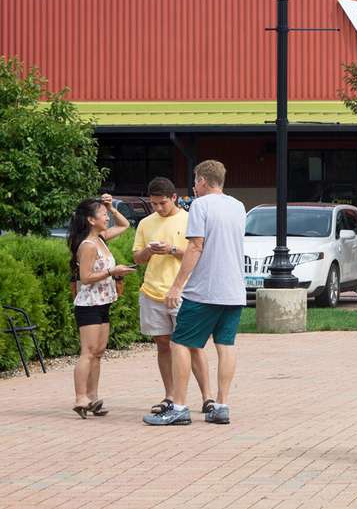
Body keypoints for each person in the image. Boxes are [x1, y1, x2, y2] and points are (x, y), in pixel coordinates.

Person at [143, 160, 246, 427]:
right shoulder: (238, 206)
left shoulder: (200, 206)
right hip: (234, 289)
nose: (194, 186)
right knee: (225, 345)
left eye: (195, 180)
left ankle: (178, 406)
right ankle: (221, 405)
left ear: (202, 180)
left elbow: (196, 246)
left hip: (205, 291)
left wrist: (177, 286)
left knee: (180, 343)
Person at [133, 177, 211, 416]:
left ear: (174, 198)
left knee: (192, 345)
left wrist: (173, 250)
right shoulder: (146, 223)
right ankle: (170, 395)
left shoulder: (189, 219)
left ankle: (208, 397)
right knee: (163, 345)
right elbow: (137, 257)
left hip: (184, 292)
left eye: (162, 203)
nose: (158, 208)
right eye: (154, 203)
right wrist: (148, 250)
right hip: (152, 291)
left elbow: (200, 252)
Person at [68, 198, 135, 418]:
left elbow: (125, 225)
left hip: (103, 303)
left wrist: (112, 208)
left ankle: (93, 397)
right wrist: (111, 272)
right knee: (87, 352)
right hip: (88, 305)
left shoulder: (101, 239)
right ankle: (80, 398)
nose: (106, 217)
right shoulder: (87, 246)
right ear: (90, 220)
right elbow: (86, 278)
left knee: (98, 353)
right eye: (102, 213)